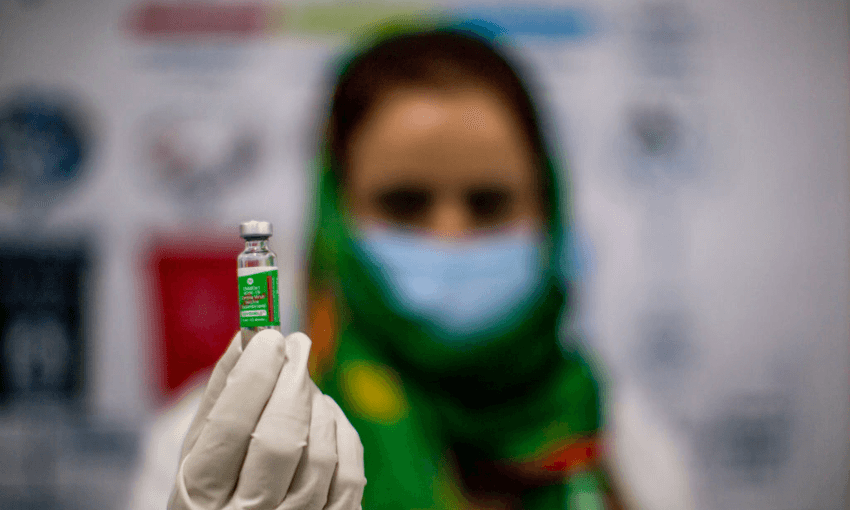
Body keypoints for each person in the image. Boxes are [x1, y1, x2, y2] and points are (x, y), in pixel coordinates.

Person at [129, 23, 695, 510]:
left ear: (548, 208)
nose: (450, 235)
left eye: (489, 202)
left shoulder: (624, 442)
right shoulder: (218, 449)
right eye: (404, 204)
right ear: (336, 219)